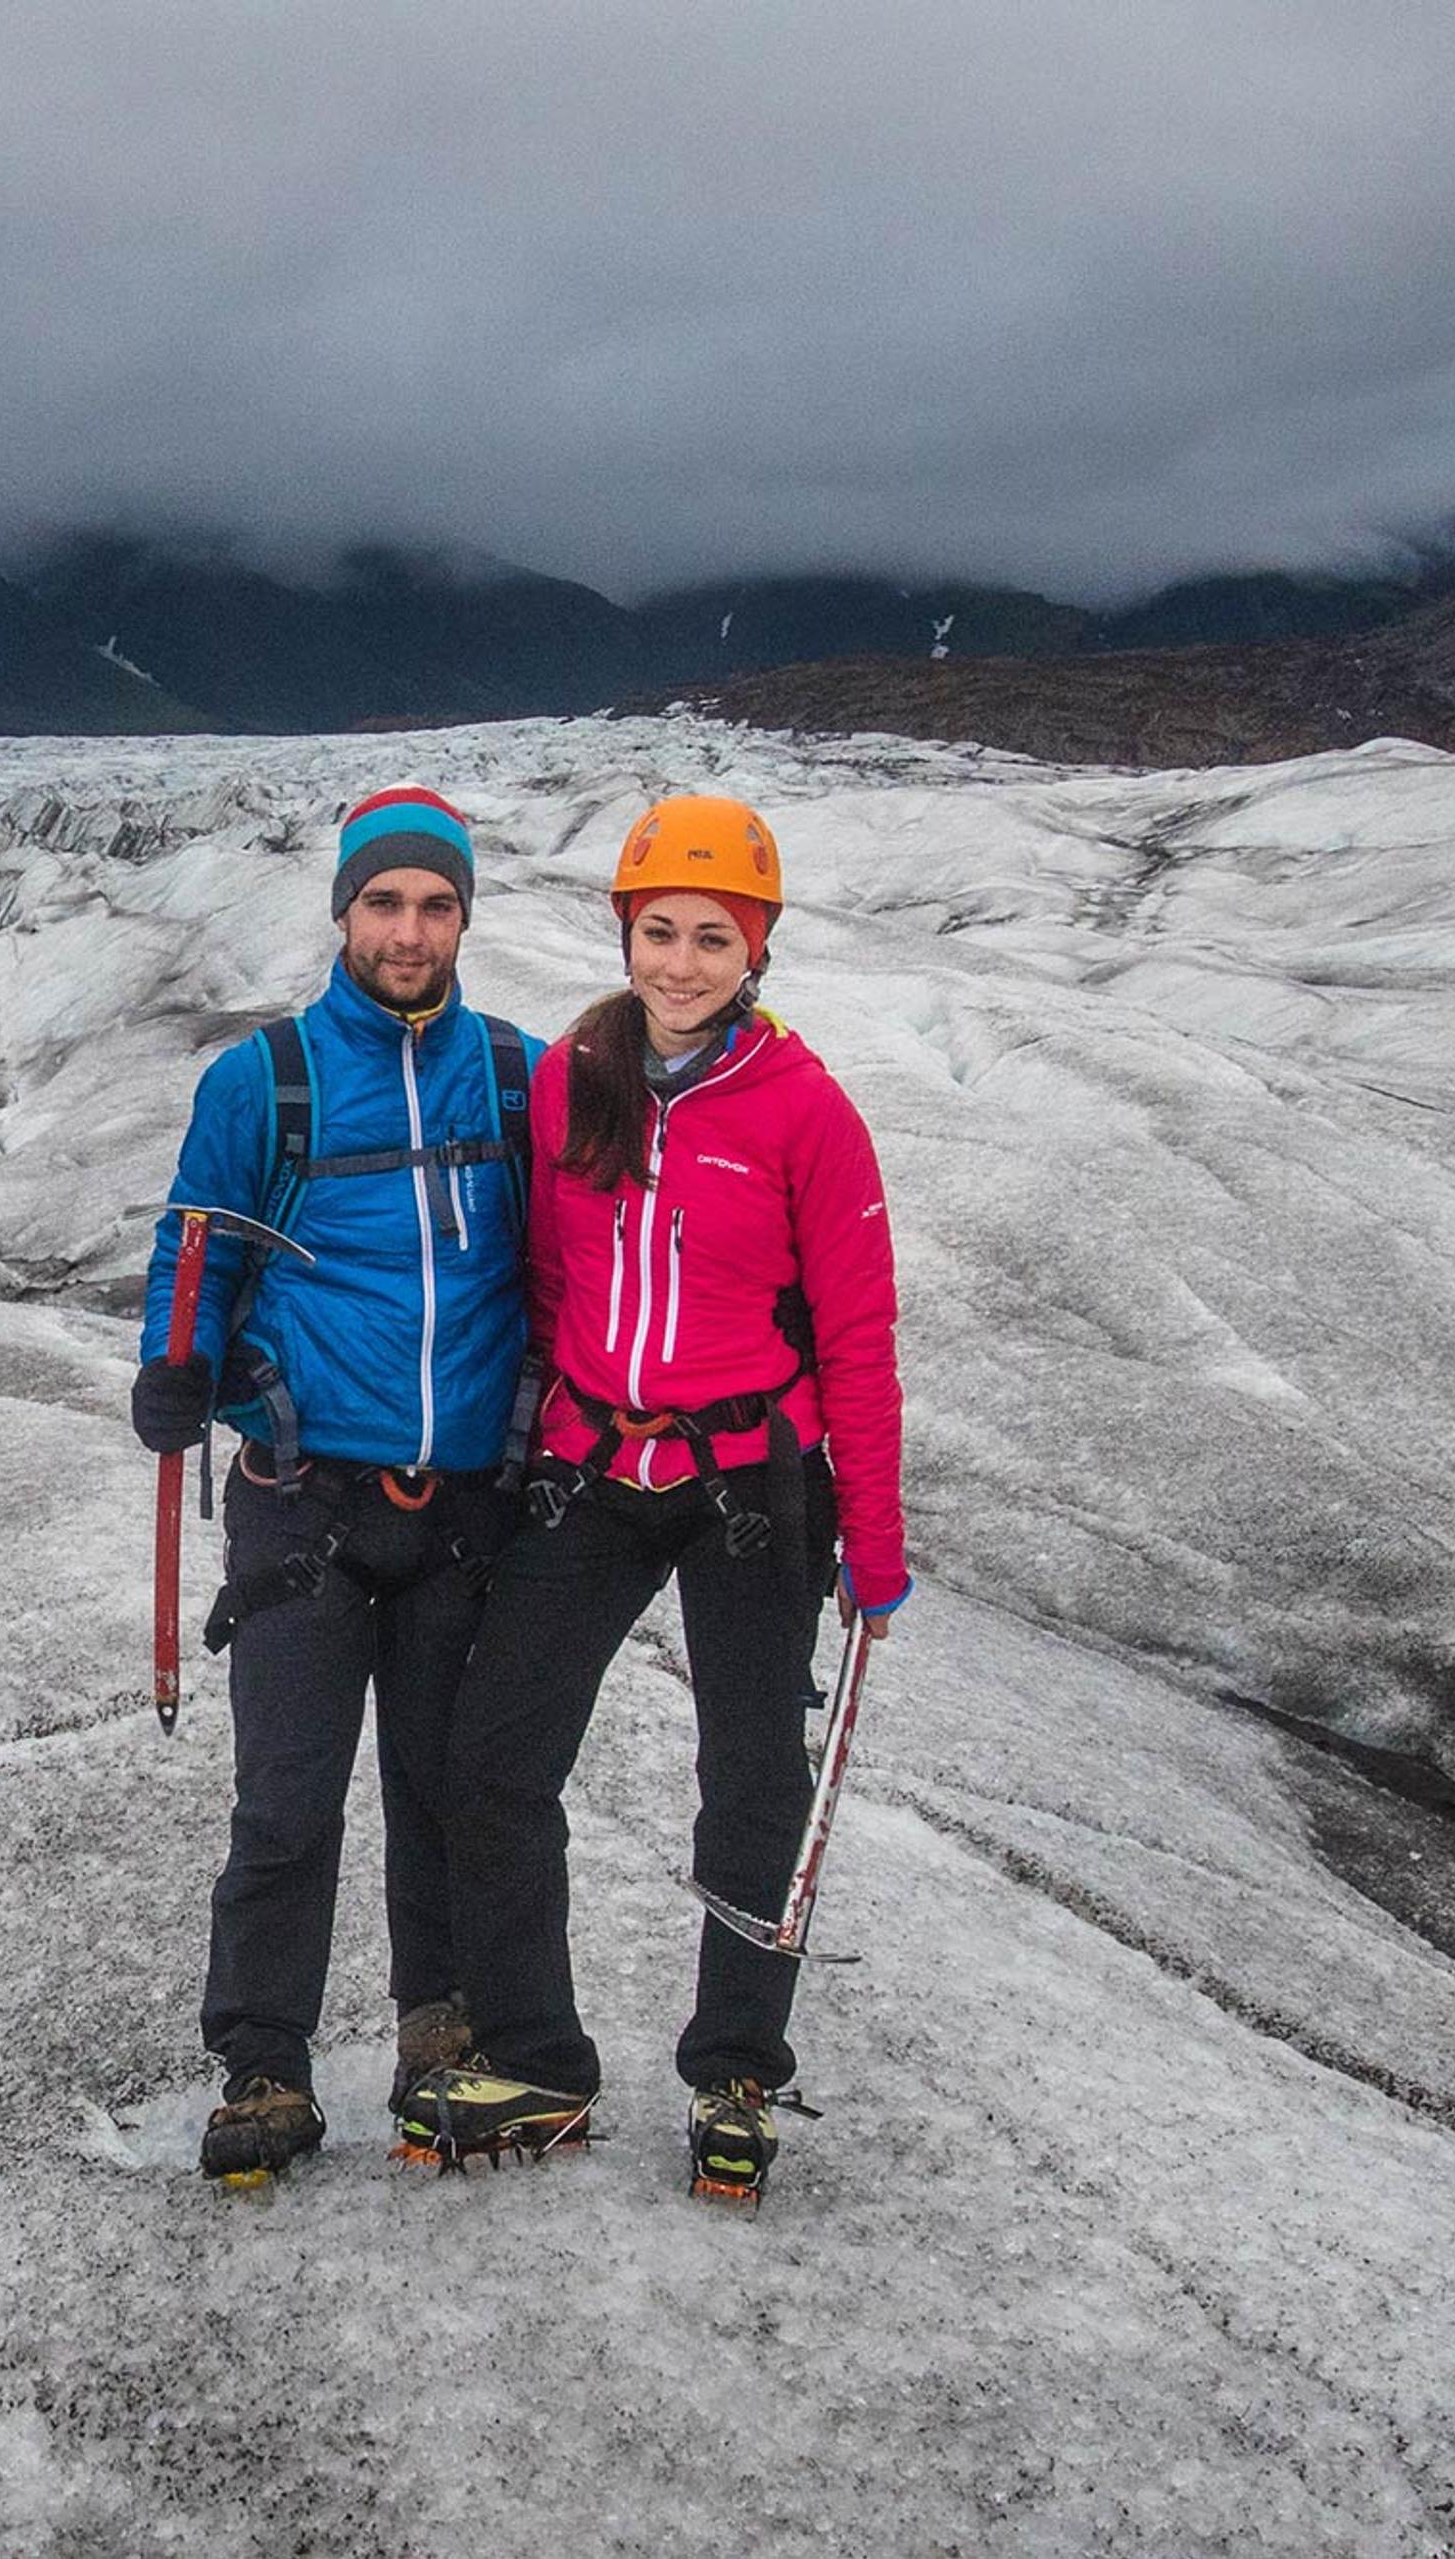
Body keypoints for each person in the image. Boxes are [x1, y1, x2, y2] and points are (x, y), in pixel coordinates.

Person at [399, 791, 907, 2203]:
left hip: (754, 1484)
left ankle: (735, 2073)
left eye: (712, 937)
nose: (681, 963)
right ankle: (540, 2059)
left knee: (752, 1776)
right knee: (495, 1761)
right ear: (626, 934)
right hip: (597, 1466)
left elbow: (859, 1342)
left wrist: (875, 1539)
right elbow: (555, 1282)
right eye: (658, 932)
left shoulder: (808, 1116)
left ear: (758, 949)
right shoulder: (573, 1080)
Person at [133, 786, 541, 2183]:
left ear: (465, 916)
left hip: (463, 1502)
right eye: (385, 903)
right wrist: (176, 1367)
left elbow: (583, 1255)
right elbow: (197, 1245)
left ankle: (440, 2031)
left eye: (435, 905)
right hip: (304, 1499)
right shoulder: (268, 1081)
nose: (410, 931)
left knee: (442, 1790)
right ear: (344, 913)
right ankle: (265, 2066)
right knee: (287, 1799)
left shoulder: (518, 1076)